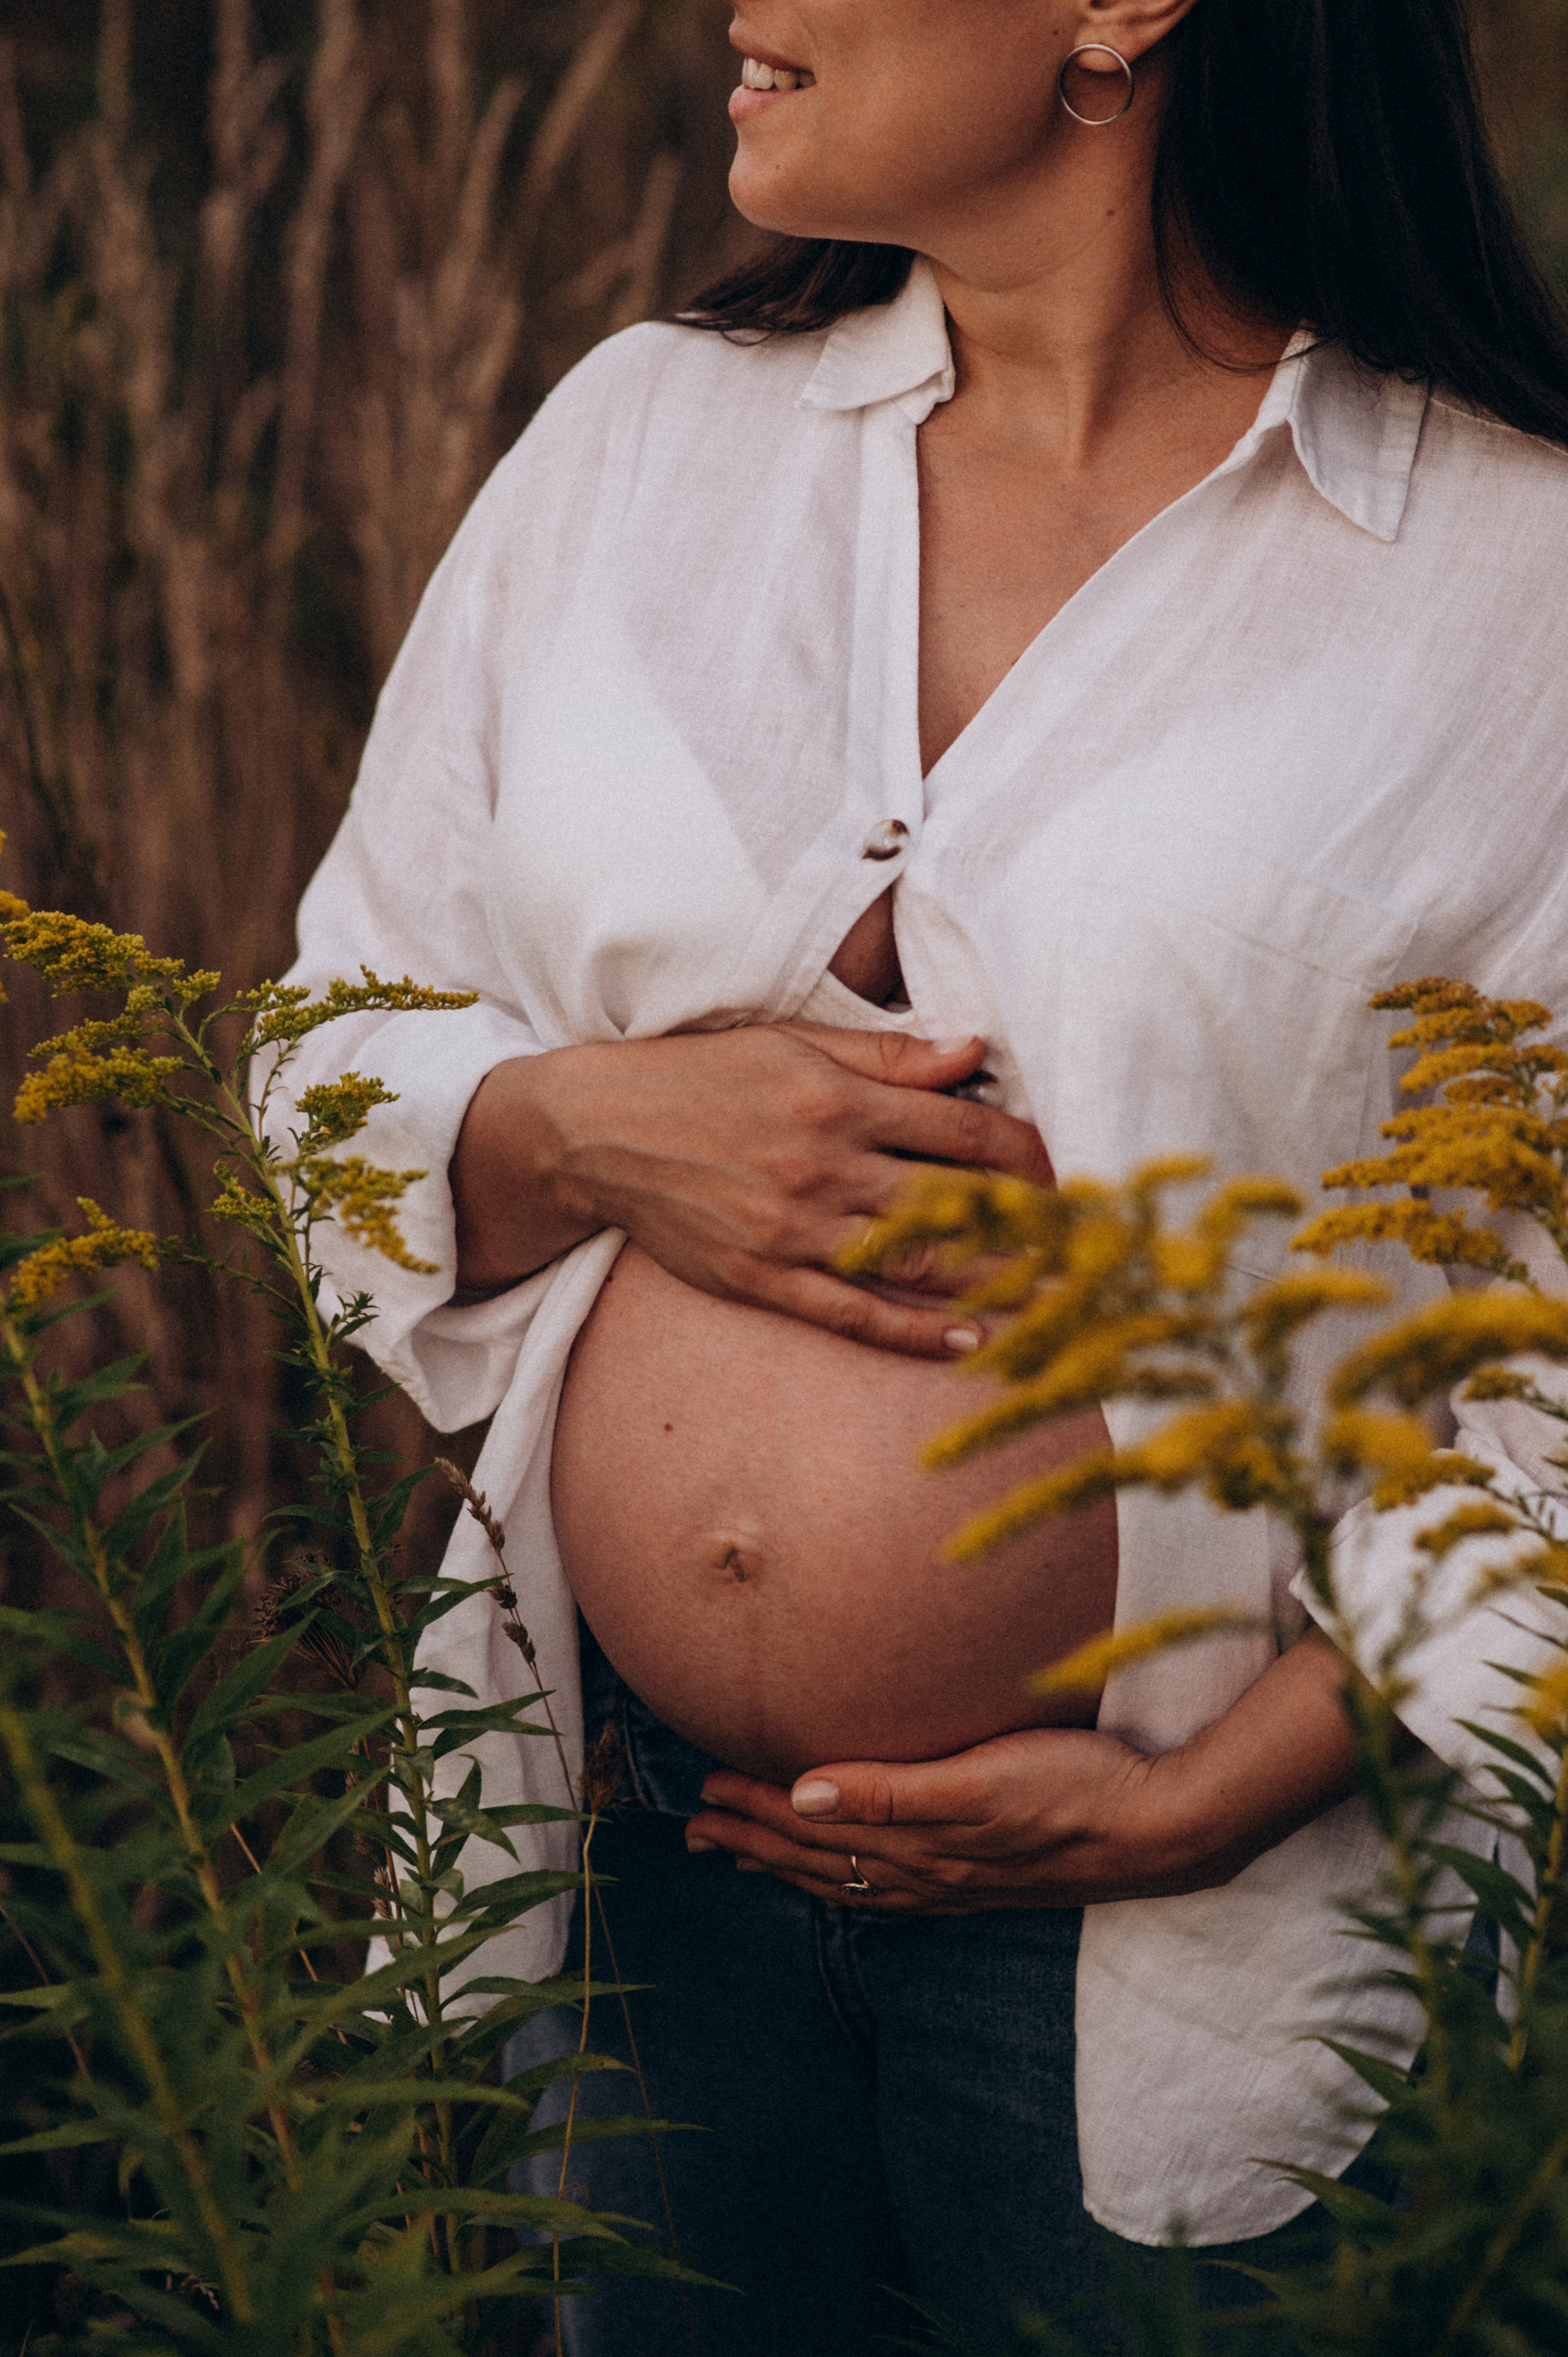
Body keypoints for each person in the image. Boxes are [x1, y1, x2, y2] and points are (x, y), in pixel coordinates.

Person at [276, 1, 1568, 2348]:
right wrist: (579, 1129)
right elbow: (335, 1027)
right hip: (636, 1863)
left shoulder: (1512, 579)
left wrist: (1239, 1787)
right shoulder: (637, 441)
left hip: (1184, 1938)